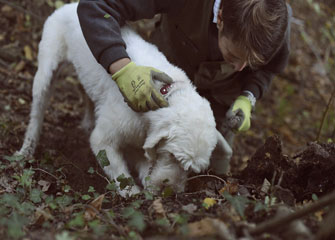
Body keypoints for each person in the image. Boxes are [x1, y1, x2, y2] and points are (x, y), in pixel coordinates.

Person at [77, 0, 292, 170]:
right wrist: (122, 67)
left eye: (249, 63)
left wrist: (248, 96)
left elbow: (268, 68)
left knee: (206, 165)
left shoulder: (275, 23)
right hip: (167, 83)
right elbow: (96, 5)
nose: (240, 68)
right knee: (145, 149)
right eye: (234, 56)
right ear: (220, 17)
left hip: (222, 99)